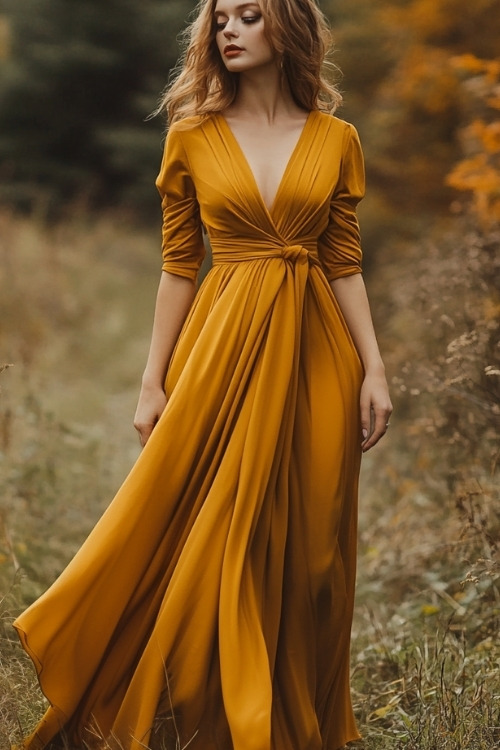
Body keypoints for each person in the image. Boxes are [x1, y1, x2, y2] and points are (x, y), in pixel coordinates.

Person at [13, 0, 392, 748]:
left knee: (313, 555)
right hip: (220, 348)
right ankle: (194, 712)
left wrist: (374, 368)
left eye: (248, 16)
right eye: (220, 17)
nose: (227, 29)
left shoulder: (337, 139)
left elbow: (344, 262)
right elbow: (179, 266)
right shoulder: (190, 134)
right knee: (215, 531)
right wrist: (152, 381)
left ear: (287, 28)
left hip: (317, 354)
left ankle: (291, 715)